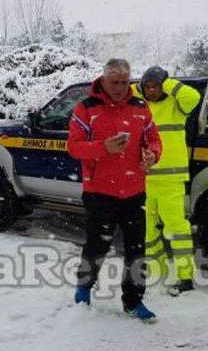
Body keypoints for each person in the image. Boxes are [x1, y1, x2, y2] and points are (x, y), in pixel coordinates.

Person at [67, 58, 162, 323]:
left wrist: (152, 155)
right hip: (100, 192)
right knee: (97, 246)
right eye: (114, 82)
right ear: (104, 80)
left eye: (124, 82)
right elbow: (73, 147)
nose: (120, 87)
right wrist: (102, 148)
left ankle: (134, 301)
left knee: (136, 250)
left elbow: (154, 139)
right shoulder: (86, 109)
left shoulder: (140, 108)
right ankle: (84, 289)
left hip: (134, 192)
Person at [132, 66, 201, 296]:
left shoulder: (176, 106)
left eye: (156, 86)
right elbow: (121, 92)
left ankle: (185, 276)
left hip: (171, 179)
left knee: (176, 229)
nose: (151, 91)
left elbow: (192, 97)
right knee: (147, 231)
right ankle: (158, 270)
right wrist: (141, 85)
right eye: (147, 87)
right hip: (145, 179)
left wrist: (167, 81)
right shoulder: (140, 107)